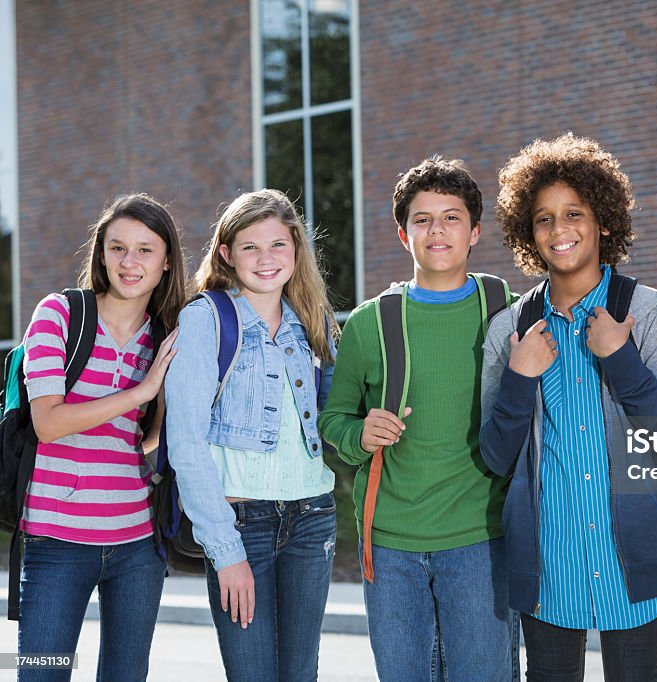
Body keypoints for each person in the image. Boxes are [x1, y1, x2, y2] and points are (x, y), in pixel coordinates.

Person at [479, 132, 657, 681]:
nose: (559, 229)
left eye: (574, 213)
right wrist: (521, 378)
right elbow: (496, 456)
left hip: (635, 559)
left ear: (604, 223)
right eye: (544, 218)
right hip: (547, 565)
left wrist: (622, 360)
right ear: (530, 232)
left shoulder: (651, 315)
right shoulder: (508, 331)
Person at [318, 157, 517, 681]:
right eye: (423, 219)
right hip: (391, 545)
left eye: (451, 217)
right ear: (403, 234)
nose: (437, 230)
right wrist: (359, 433)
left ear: (475, 230)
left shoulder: (507, 309)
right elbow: (333, 419)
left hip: (481, 538)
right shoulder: (369, 323)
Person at [164, 189, 340, 682]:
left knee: (300, 673)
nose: (266, 259)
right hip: (242, 523)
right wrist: (225, 548)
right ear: (226, 253)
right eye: (250, 247)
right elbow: (186, 442)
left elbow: (332, 418)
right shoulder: (206, 318)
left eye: (278, 245)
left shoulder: (314, 321)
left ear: (296, 250)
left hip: (312, 517)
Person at [17, 193, 186, 681]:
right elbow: (48, 422)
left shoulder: (164, 337)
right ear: (102, 253)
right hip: (57, 538)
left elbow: (146, 445)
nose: (129, 263)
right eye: (118, 248)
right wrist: (144, 390)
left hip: (137, 542)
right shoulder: (60, 315)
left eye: (145, 250)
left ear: (166, 260)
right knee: (41, 673)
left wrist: (165, 405)